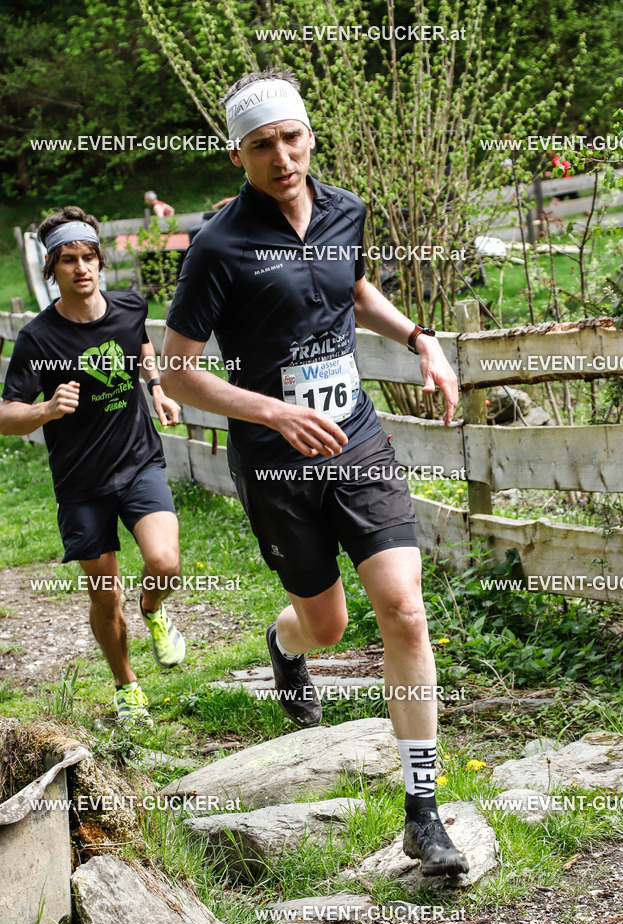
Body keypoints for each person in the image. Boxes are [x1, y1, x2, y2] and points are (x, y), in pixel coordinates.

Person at [161, 70, 469, 876]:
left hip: (356, 439)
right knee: (325, 626)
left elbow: (352, 288)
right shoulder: (218, 248)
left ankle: (423, 812)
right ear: (239, 155)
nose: (282, 157)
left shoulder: (344, 211)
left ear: (309, 136)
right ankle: (284, 642)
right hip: (276, 463)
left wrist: (420, 339)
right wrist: (271, 412)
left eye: (292, 138)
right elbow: (177, 372)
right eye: (262, 144)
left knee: (404, 610)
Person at [0, 206, 186, 727]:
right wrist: (45, 409)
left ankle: (153, 609)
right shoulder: (38, 339)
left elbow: (140, 343)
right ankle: (127, 686)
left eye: (88, 257)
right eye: (68, 260)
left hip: (138, 461)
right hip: (81, 483)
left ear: (100, 261)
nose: (81, 268)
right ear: (52, 269)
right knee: (106, 595)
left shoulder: (129, 305)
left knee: (165, 562)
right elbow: (6, 414)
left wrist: (156, 388)